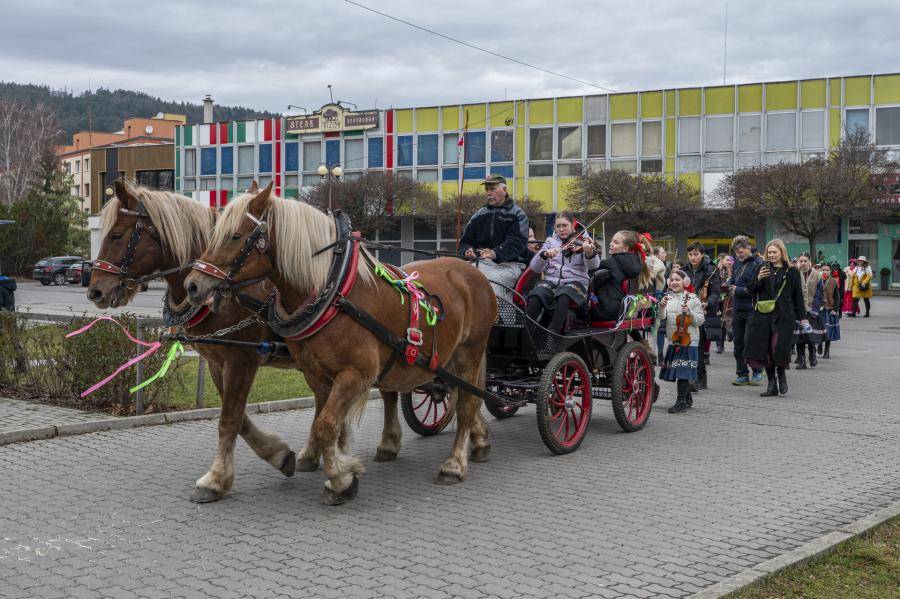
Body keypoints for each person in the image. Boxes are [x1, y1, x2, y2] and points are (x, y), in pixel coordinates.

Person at [745, 239, 808, 397]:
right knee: (765, 350)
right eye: (769, 252)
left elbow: (798, 296)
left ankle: (781, 374)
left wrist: (803, 318)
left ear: (782, 252)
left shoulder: (791, 271)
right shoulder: (762, 267)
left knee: (777, 347)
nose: (772, 255)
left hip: (783, 316)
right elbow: (751, 290)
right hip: (764, 316)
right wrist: (758, 278)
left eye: (775, 252)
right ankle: (771, 384)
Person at [458, 174, 529, 303]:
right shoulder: (480, 214)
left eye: (492, 189)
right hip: (480, 263)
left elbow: (517, 242)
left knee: (490, 283)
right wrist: (467, 251)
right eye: (487, 190)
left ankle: (502, 320)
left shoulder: (518, 214)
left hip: (509, 265)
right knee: (456, 279)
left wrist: (495, 253)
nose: (488, 193)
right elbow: (466, 241)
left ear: (504, 190)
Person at [526, 212, 599, 333]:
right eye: (558, 226)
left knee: (564, 294)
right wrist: (544, 256)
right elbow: (535, 268)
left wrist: (589, 253)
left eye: (564, 225)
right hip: (551, 281)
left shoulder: (583, 241)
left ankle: (553, 332)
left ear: (572, 225)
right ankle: (526, 329)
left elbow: (594, 266)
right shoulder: (550, 242)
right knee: (538, 293)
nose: (561, 229)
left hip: (576, 283)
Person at [658, 270, 705, 413]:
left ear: (685, 282)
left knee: (682, 371)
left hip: (689, 340)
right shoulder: (668, 298)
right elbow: (662, 317)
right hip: (674, 339)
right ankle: (688, 399)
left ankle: (681, 402)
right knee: (679, 369)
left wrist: (690, 312)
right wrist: (661, 306)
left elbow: (700, 321)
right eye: (672, 280)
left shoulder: (693, 299)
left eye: (677, 280)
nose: (674, 282)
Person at [589, 230, 650, 322]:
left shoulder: (610, 263)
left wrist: (589, 254)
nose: (611, 244)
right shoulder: (636, 263)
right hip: (621, 310)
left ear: (625, 249)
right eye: (612, 240)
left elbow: (592, 283)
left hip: (604, 310)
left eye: (616, 242)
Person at [683, 242, 721, 390]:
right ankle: (693, 376)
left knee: (698, 346)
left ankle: (699, 376)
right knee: (687, 345)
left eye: (696, 254)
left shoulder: (710, 269)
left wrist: (708, 303)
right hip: (686, 310)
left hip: (702, 312)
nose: (693, 257)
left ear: (702, 254)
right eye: (690, 254)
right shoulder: (684, 270)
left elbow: (716, 292)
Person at [728, 236, 764, 386]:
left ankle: (757, 370)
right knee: (738, 343)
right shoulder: (737, 263)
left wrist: (738, 290)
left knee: (751, 341)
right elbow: (735, 280)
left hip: (752, 309)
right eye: (737, 253)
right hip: (738, 309)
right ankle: (742, 373)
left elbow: (757, 288)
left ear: (749, 248)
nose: (739, 255)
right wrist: (730, 283)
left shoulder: (758, 263)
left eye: (741, 252)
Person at [795, 252, 823, 369]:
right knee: (799, 337)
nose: (803, 263)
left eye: (805, 261)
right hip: (799, 310)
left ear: (809, 261)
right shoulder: (795, 273)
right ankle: (801, 361)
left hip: (811, 310)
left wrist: (815, 309)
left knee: (810, 335)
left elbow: (819, 293)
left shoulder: (817, 274)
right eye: (801, 261)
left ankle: (812, 355)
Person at [715, 255, 734, 354]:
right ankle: (719, 344)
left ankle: (724, 341)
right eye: (727, 259)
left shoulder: (732, 270)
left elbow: (733, 282)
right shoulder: (716, 270)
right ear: (721, 259)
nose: (729, 261)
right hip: (718, 299)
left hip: (728, 298)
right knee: (720, 322)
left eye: (730, 260)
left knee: (727, 320)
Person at [820, 266, 841, 358]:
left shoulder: (833, 281)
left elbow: (837, 297)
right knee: (819, 329)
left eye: (827, 270)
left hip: (829, 309)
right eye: (823, 270)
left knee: (828, 331)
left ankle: (827, 350)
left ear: (830, 271)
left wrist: (835, 309)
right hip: (819, 309)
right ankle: (819, 344)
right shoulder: (818, 280)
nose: (825, 272)